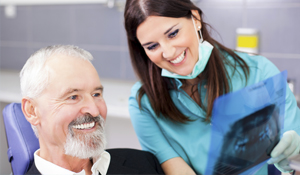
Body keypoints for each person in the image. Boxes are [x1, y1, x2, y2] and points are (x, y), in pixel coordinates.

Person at [123, 0, 300, 174]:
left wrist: (295, 155)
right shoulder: (144, 103)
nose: (168, 52)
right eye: (152, 46)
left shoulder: (259, 73)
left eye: (173, 34)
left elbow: (295, 161)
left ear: (195, 19)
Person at [20, 45, 164, 175]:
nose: (94, 110)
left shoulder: (145, 163)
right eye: (73, 97)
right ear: (32, 111)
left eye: (96, 94)